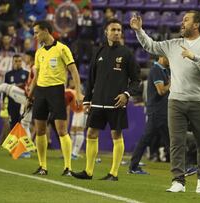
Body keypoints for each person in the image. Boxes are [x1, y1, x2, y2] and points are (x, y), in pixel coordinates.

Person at [130, 11, 200, 193]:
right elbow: (151, 46)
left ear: (196, 25)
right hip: (176, 101)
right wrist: (139, 30)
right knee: (176, 142)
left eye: (186, 20)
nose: (182, 22)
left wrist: (194, 56)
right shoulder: (173, 44)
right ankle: (178, 181)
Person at [72, 18, 141, 181]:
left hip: (116, 103)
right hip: (97, 101)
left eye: (119, 30)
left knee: (116, 135)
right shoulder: (98, 51)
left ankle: (114, 173)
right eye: (113, 30)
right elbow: (91, 78)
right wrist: (87, 99)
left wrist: (126, 94)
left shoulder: (127, 53)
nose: (117, 32)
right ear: (106, 32)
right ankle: (88, 172)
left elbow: (137, 80)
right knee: (91, 133)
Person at [28, 20, 82, 176]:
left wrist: (78, 92)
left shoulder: (62, 49)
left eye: (37, 32)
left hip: (57, 91)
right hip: (40, 93)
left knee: (62, 130)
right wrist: (30, 96)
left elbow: (74, 72)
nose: (35, 36)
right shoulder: (39, 52)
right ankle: (43, 166)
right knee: (40, 130)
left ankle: (68, 168)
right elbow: (35, 78)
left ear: (46, 31)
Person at [128, 56, 170, 174]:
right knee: (167, 140)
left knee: (167, 140)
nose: (170, 60)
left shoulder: (163, 70)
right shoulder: (156, 70)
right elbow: (161, 91)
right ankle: (133, 166)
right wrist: (172, 83)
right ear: (161, 57)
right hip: (158, 111)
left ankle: (133, 166)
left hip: (160, 110)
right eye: (168, 57)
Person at [4, 54, 29, 129]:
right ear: (12, 62)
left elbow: (29, 88)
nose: (18, 63)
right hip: (12, 103)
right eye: (16, 61)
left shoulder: (26, 73)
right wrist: (2, 101)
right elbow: (5, 89)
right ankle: (15, 141)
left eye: (20, 61)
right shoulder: (8, 74)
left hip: (23, 103)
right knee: (13, 125)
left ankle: (22, 141)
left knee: (23, 125)